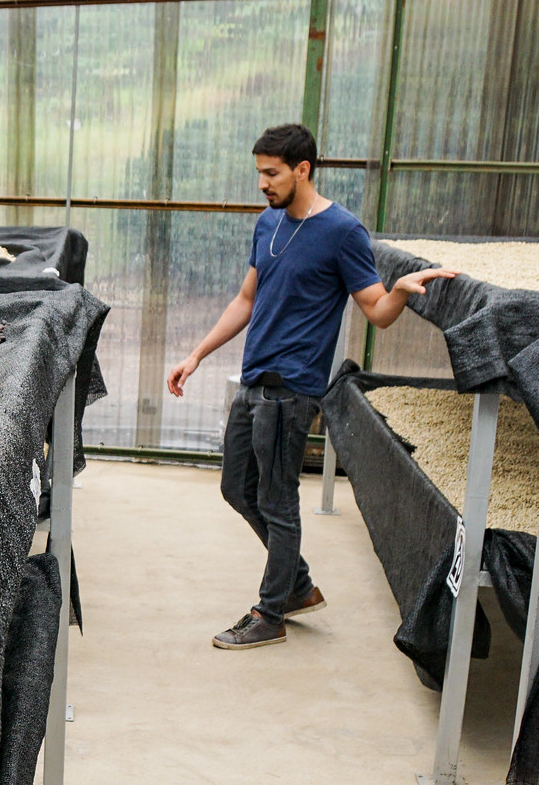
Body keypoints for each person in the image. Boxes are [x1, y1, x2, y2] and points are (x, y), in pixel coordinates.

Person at [167, 122, 457, 651]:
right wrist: (197, 354)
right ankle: (297, 584)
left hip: (293, 389)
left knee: (278, 502)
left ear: (303, 169)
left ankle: (270, 612)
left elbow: (375, 310)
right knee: (238, 487)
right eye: (258, 172)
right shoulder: (268, 224)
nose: (262, 183)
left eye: (271, 173)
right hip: (255, 381)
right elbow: (246, 300)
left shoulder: (344, 232)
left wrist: (400, 290)